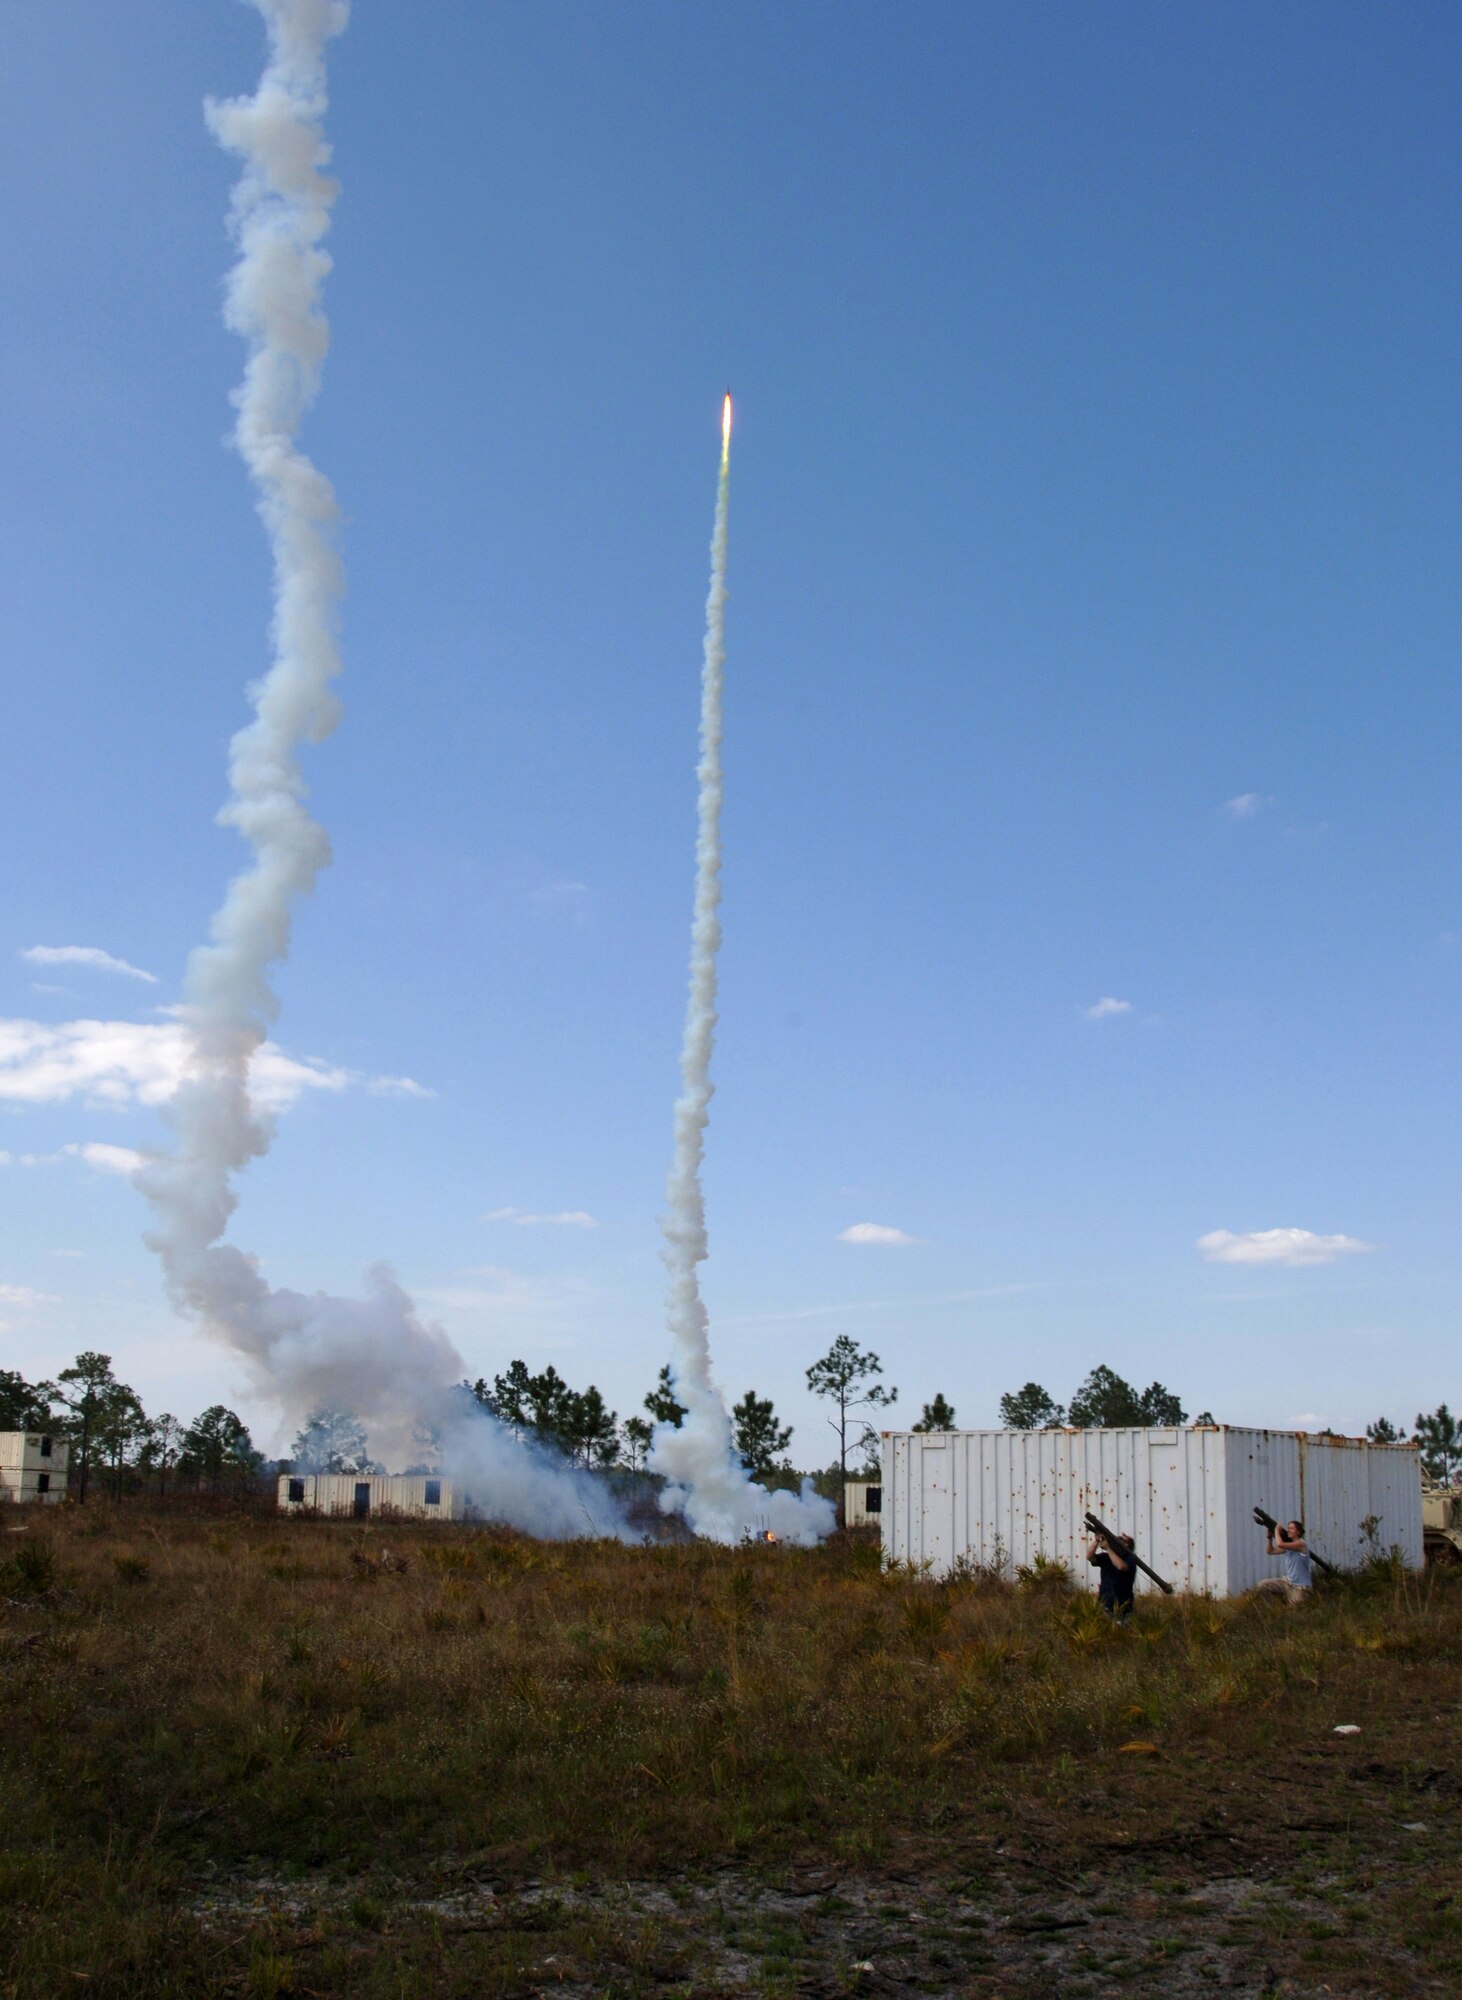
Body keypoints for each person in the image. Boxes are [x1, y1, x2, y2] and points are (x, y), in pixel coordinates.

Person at [1256, 1519, 1313, 1605]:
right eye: (1288, 1528)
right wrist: (1269, 1538)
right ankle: (1274, 1608)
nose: (1288, 1530)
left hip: (1300, 1587)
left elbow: (1280, 1544)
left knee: (1295, 1611)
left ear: (1298, 1532)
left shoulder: (1301, 1544)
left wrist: (1276, 1530)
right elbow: (1270, 1551)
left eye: (1291, 1528)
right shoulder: (1289, 1546)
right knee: (1262, 1585)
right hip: (1288, 1583)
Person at [1086, 1527, 1136, 1619]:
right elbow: (1089, 1556)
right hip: (1105, 1604)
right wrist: (1096, 1541)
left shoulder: (1130, 1559)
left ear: (1127, 1546)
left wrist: (1108, 1548)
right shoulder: (1106, 1557)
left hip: (1122, 1607)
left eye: (1121, 1540)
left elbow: (1121, 1566)